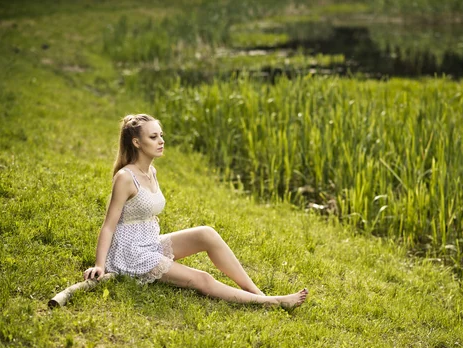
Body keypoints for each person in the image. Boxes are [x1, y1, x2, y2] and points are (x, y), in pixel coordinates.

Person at [83, 114, 308, 308]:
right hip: (129, 255)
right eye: (153, 137)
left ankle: (257, 293)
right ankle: (273, 302)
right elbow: (109, 226)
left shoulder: (151, 171)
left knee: (206, 233)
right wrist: (100, 265)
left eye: (161, 135)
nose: (161, 141)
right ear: (136, 142)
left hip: (149, 243)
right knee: (202, 278)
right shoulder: (125, 177)